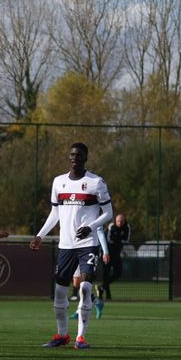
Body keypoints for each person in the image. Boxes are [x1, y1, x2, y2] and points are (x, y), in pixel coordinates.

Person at [30, 142, 113, 349]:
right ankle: (62, 334)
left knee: (85, 288)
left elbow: (108, 214)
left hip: (88, 244)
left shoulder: (96, 182)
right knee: (59, 291)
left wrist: (90, 227)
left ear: (85, 158)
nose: (74, 158)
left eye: (79, 155)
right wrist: (40, 235)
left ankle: (81, 337)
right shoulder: (58, 182)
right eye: (72, 155)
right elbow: (55, 213)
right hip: (66, 245)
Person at [98, 212, 130, 310]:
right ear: (115, 221)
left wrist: (117, 239)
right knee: (106, 274)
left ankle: (102, 287)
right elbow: (109, 239)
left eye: (122, 221)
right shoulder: (111, 226)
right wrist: (118, 240)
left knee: (118, 273)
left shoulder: (127, 227)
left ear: (124, 221)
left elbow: (126, 240)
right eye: (118, 221)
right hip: (107, 253)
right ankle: (107, 295)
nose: (120, 222)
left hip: (116, 254)